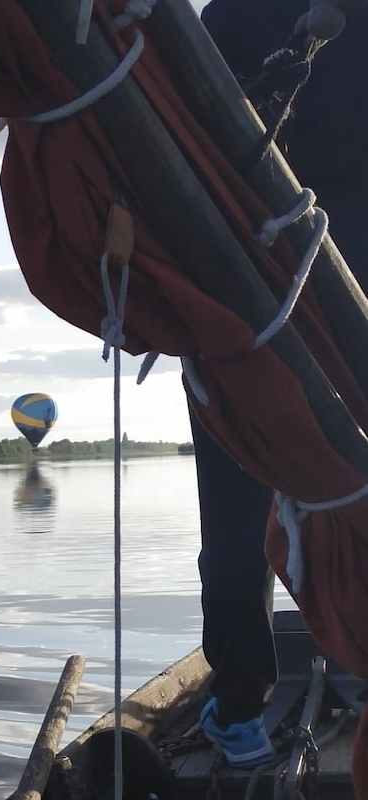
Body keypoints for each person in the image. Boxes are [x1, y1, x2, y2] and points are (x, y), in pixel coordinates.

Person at [192, 0, 368, 767]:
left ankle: (238, 711)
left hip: (249, 289)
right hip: (262, 293)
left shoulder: (219, 18)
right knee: (242, 525)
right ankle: (248, 706)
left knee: (236, 522)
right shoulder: (224, 17)